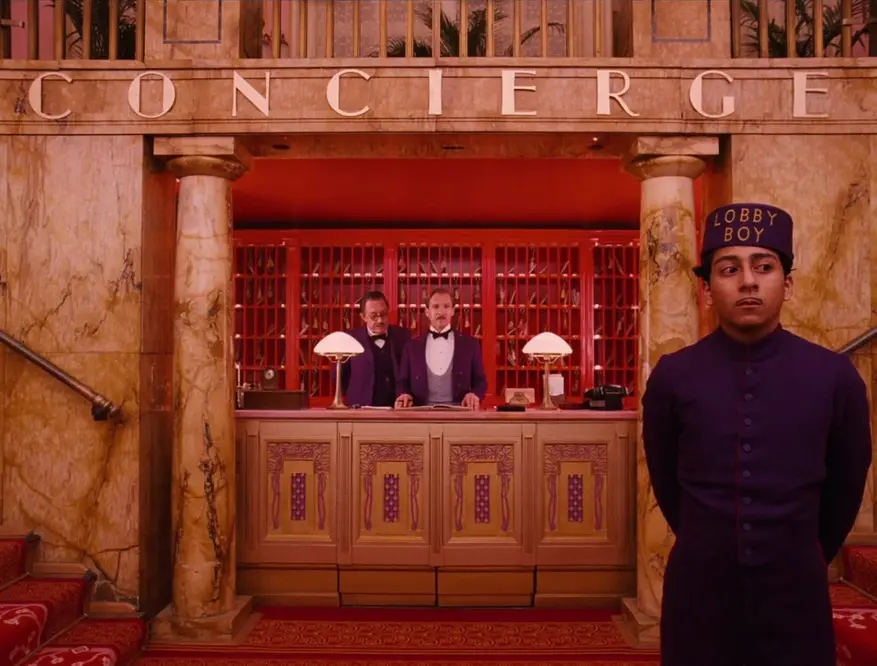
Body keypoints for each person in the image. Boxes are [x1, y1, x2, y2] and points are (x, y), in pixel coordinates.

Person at [642, 202, 872, 666]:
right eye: (729, 269)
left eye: (763, 267)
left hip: (795, 591)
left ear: (787, 284)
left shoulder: (834, 377)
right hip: (699, 591)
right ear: (707, 290)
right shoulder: (674, 376)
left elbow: (846, 485)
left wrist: (802, 551)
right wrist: (708, 540)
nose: (748, 281)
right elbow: (666, 479)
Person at [395, 287, 487, 409]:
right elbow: (402, 381)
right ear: (427, 311)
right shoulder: (411, 346)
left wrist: (474, 394)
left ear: (453, 310)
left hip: (460, 412)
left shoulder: (470, 344)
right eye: (436, 307)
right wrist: (404, 394)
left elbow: (480, 381)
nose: (441, 311)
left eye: (446, 306)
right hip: (420, 412)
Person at [341, 291, 410, 407]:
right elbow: (340, 376)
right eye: (374, 316)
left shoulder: (403, 336)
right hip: (360, 408)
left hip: (397, 408)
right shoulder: (351, 339)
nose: (380, 320)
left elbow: (410, 371)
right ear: (363, 317)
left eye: (384, 314)